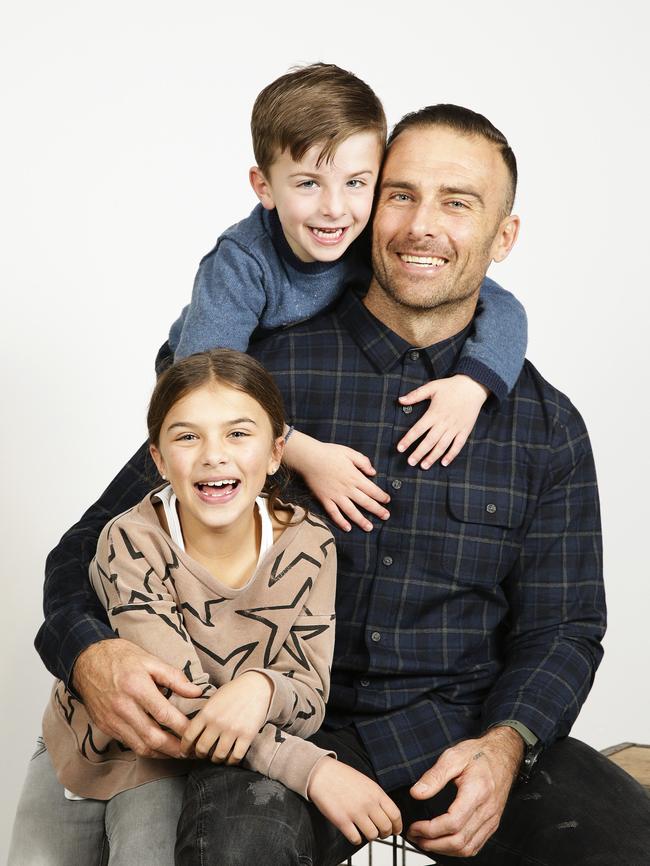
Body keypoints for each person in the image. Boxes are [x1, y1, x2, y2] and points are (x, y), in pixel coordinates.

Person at [34, 104, 650, 866]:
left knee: (624, 844)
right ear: (367, 210)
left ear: (504, 237)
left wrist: (504, 745)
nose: (422, 224)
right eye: (400, 194)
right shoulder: (260, 382)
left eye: (457, 203)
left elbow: (565, 627)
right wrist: (91, 655)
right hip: (279, 734)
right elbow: (83, 556)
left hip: (462, 727)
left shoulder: (545, 423)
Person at [9, 349, 341, 865]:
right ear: (159, 460)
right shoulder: (130, 539)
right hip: (87, 740)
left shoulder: (310, 544)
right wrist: (314, 770)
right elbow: (175, 706)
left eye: (238, 433)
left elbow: (308, 692)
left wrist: (263, 685)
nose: (214, 455)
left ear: (277, 452)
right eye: (188, 436)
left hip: (179, 763)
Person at [166, 63, 529, 534]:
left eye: (357, 183)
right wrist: (304, 453)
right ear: (264, 187)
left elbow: (501, 306)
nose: (334, 208)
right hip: (198, 366)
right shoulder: (241, 263)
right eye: (307, 183)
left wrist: (472, 385)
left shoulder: (361, 235)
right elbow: (203, 388)